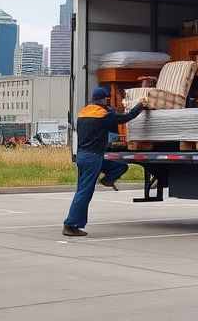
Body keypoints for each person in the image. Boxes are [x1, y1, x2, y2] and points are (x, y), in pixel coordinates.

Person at [63, 87, 146, 237]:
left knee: (120, 166)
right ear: (103, 100)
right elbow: (126, 118)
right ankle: (70, 224)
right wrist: (140, 105)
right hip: (93, 158)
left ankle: (108, 179)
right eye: (106, 100)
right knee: (84, 192)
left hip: (82, 156)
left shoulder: (83, 113)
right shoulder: (103, 116)